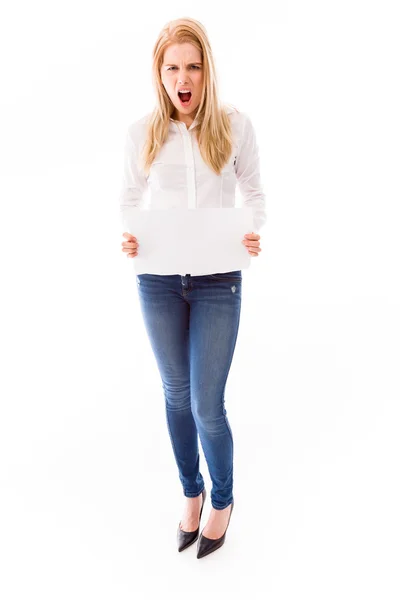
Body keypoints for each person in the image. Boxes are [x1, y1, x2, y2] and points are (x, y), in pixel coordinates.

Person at [118, 17, 266, 559]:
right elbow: (129, 203)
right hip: (158, 281)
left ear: (207, 71)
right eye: (173, 67)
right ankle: (191, 492)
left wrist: (252, 230)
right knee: (175, 396)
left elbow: (254, 190)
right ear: (160, 74)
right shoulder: (142, 133)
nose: (184, 78)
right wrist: (131, 238)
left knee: (207, 403)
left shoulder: (234, 125)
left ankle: (223, 501)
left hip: (217, 282)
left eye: (193, 67)